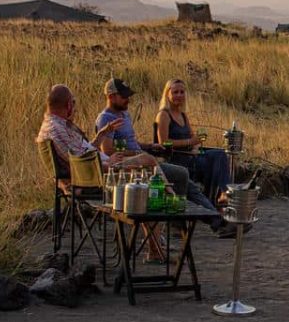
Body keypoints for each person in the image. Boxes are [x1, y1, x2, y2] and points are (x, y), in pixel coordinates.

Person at [92, 77, 235, 238]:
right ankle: (212, 222)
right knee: (183, 177)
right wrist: (140, 155)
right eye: (124, 96)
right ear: (111, 97)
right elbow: (109, 151)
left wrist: (149, 147)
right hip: (131, 168)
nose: (128, 100)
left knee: (192, 172)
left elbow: (132, 143)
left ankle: (198, 221)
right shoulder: (106, 118)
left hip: (144, 160)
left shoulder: (124, 114)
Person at [155, 79, 231, 202]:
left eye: (182, 92)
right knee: (214, 160)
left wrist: (195, 146)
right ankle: (211, 199)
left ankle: (222, 194)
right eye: (175, 92)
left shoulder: (183, 115)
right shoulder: (164, 115)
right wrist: (191, 142)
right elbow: (163, 142)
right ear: (167, 94)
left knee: (220, 155)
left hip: (191, 156)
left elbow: (192, 137)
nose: (179, 95)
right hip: (177, 159)